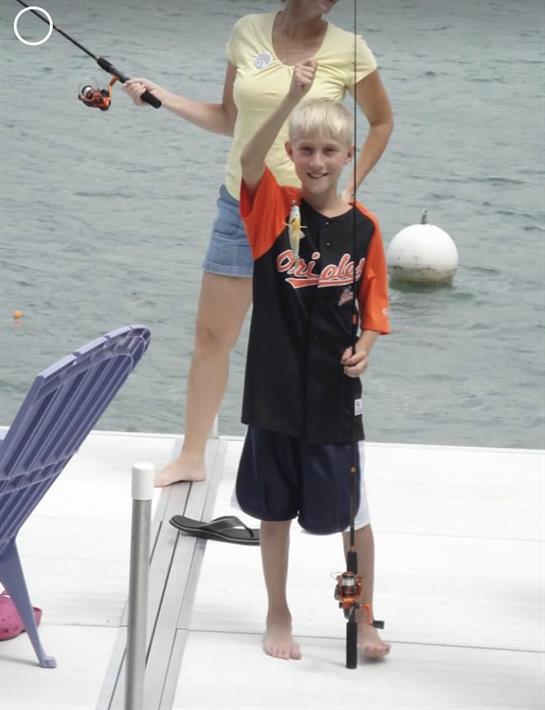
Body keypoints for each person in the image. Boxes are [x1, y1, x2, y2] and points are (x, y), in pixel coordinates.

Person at [123, 0, 393, 487]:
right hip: (241, 203)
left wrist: (351, 187)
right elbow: (229, 118)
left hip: (307, 218)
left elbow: (381, 122)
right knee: (212, 336)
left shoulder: (350, 50)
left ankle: (308, 452)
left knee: (299, 342)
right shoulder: (247, 32)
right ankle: (191, 455)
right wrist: (164, 97)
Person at [235, 58, 390, 660]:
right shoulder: (273, 211)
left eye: (329, 150)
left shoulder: (366, 229)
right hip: (273, 392)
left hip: (333, 396)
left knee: (353, 515)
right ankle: (278, 612)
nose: (317, 161)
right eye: (306, 150)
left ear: (348, 155)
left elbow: (375, 307)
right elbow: (250, 162)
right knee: (273, 511)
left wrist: (367, 348)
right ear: (292, 154)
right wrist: (288, 99)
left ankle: (366, 618)